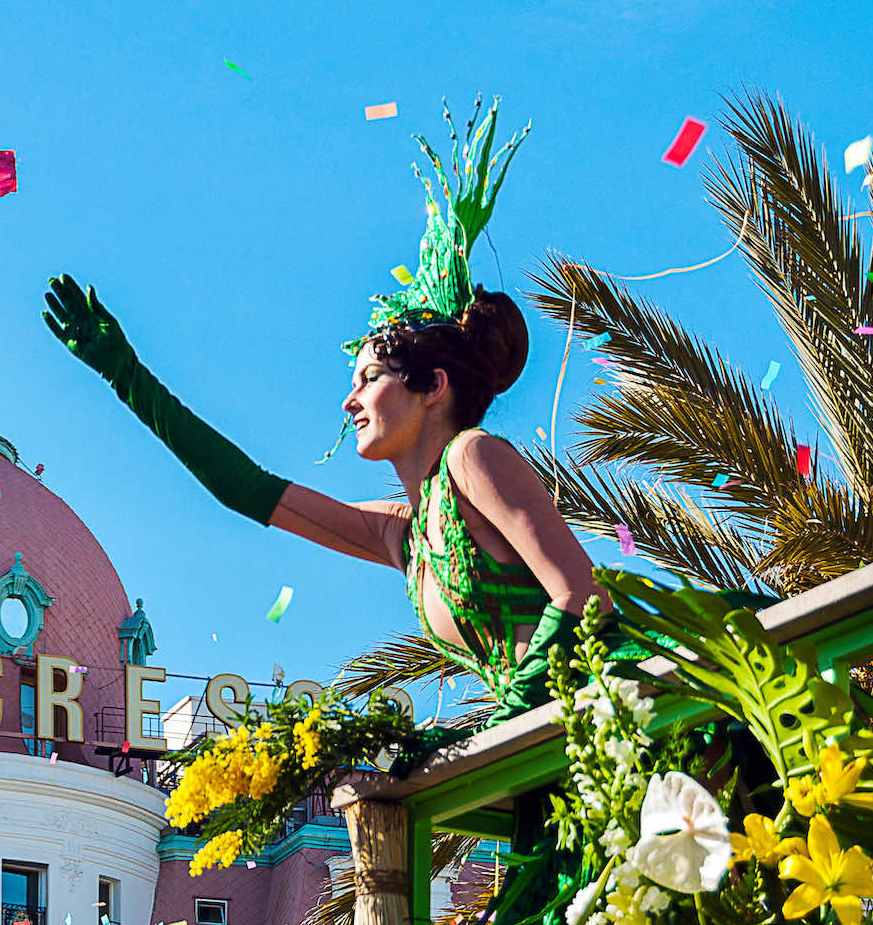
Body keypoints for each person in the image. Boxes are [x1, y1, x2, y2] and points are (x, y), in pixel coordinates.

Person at [44, 99, 608, 730]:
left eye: (370, 378)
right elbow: (248, 490)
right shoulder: (409, 534)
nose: (350, 401)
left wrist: (506, 713)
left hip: (617, 729)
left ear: (432, 387)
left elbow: (582, 596)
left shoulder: (473, 457)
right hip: (553, 746)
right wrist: (127, 375)